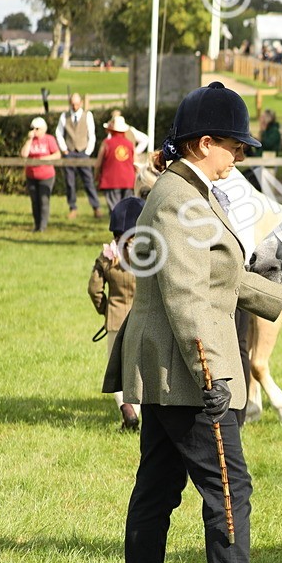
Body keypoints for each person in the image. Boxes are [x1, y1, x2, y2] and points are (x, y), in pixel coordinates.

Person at [102, 81, 282, 563]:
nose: (243, 156)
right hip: (189, 372)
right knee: (230, 489)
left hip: (171, 369)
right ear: (205, 143)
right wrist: (211, 373)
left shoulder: (188, 190)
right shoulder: (181, 199)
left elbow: (223, 276)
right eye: (237, 146)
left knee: (157, 488)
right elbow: (186, 295)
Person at [88, 168, 157, 431]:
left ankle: (127, 409)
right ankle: (144, 411)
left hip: (116, 320)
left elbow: (94, 288)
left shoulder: (108, 255)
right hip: (144, 317)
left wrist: (105, 309)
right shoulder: (149, 253)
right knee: (143, 367)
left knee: (117, 368)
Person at [56, 92, 101, 219]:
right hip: (69, 152)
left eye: (76, 104)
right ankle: (73, 208)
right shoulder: (64, 116)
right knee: (70, 182)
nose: (74, 106)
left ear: (81, 103)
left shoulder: (88, 115)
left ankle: (96, 207)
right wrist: (64, 149)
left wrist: (87, 152)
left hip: (83, 152)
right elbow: (59, 133)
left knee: (88, 181)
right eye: (72, 104)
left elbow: (91, 135)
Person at [20, 117, 61, 232]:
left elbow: (57, 154)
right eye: (32, 128)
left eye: (37, 129)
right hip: (31, 175)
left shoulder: (49, 139)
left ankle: (43, 226)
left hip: (46, 176)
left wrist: (43, 159)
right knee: (34, 201)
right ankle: (36, 225)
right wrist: (29, 140)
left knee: (44, 200)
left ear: (43, 129)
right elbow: (24, 155)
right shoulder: (30, 140)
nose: (34, 131)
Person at [97, 115, 137, 214]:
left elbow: (98, 164)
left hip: (111, 180)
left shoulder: (106, 143)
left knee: (115, 211)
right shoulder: (130, 144)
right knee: (127, 211)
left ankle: (118, 229)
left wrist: (96, 176)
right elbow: (135, 163)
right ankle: (126, 229)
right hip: (128, 180)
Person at [244, 109, 282, 192]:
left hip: (266, 165)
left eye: (262, 117)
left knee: (247, 180)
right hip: (260, 163)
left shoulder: (274, 132)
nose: (260, 119)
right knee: (244, 177)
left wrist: (262, 133)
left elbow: (267, 145)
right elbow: (261, 147)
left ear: (267, 119)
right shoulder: (268, 131)